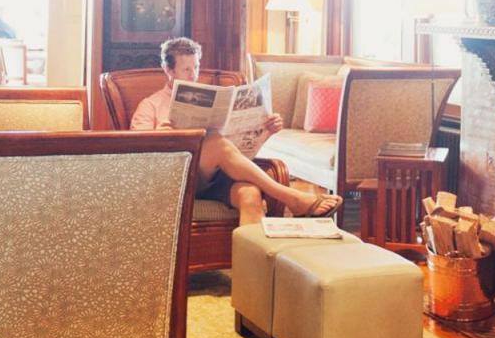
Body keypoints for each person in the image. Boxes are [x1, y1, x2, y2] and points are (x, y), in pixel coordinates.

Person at [132, 37, 341, 226]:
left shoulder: (211, 98)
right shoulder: (150, 105)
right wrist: (159, 136)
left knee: (250, 195)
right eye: (186, 69)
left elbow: (240, 152)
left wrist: (266, 131)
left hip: (218, 177)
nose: (193, 74)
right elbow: (136, 155)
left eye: (196, 67)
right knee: (214, 141)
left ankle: (253, 257)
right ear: (168, 70)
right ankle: (291, 197)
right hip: (181, 179)